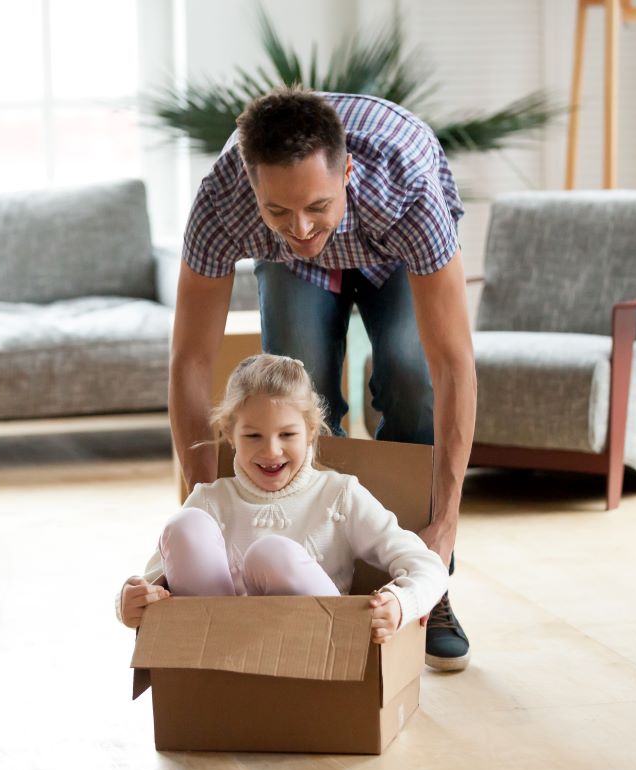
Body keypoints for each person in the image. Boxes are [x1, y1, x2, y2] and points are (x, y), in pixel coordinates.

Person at [168, 87, 477, 670]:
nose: (303, 225)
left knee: (410, 376)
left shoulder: (406, 186)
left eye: (316, 205)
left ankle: (425, 586)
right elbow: (189, 360)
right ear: (251, 187)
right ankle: (306, 583)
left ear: (348, 173)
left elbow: (453, 362)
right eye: (278, 210)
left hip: (392, 254)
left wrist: (447, 522)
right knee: (291, 403)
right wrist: (204, 503)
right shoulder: (221, 201)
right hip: (291, 269)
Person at [120, 354, 448, 643]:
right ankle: (218, 669)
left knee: (271, 554)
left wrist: (400, 605)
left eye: (287, 434)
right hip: (220, 650)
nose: (271, 451)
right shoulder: (211, 501)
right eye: (253, 436)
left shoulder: (339, 496)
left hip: (319, 648)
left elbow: (428, 567)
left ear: (311, 431)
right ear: (231, 435)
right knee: (185, 526)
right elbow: (152, 580)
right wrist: (129, 602)